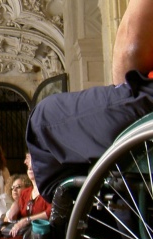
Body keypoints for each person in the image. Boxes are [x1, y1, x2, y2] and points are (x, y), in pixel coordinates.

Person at [26, 0, 153, 205]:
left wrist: (122, 95)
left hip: (147, 105)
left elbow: (132, 46)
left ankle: (79, 217)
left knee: (42, 122)